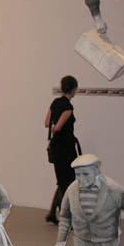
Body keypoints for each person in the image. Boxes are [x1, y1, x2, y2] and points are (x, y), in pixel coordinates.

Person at [44, 75, 79, 225]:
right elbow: (57, 127)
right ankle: (66, 218)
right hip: (66, 149)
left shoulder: (55, 103)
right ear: (74, 89)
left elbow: (47, 123)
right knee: (68, 183)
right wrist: (57, 127)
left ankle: (52, 213)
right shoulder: (68, 108)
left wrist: (55, 127)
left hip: (56, 148)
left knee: (62, 182)